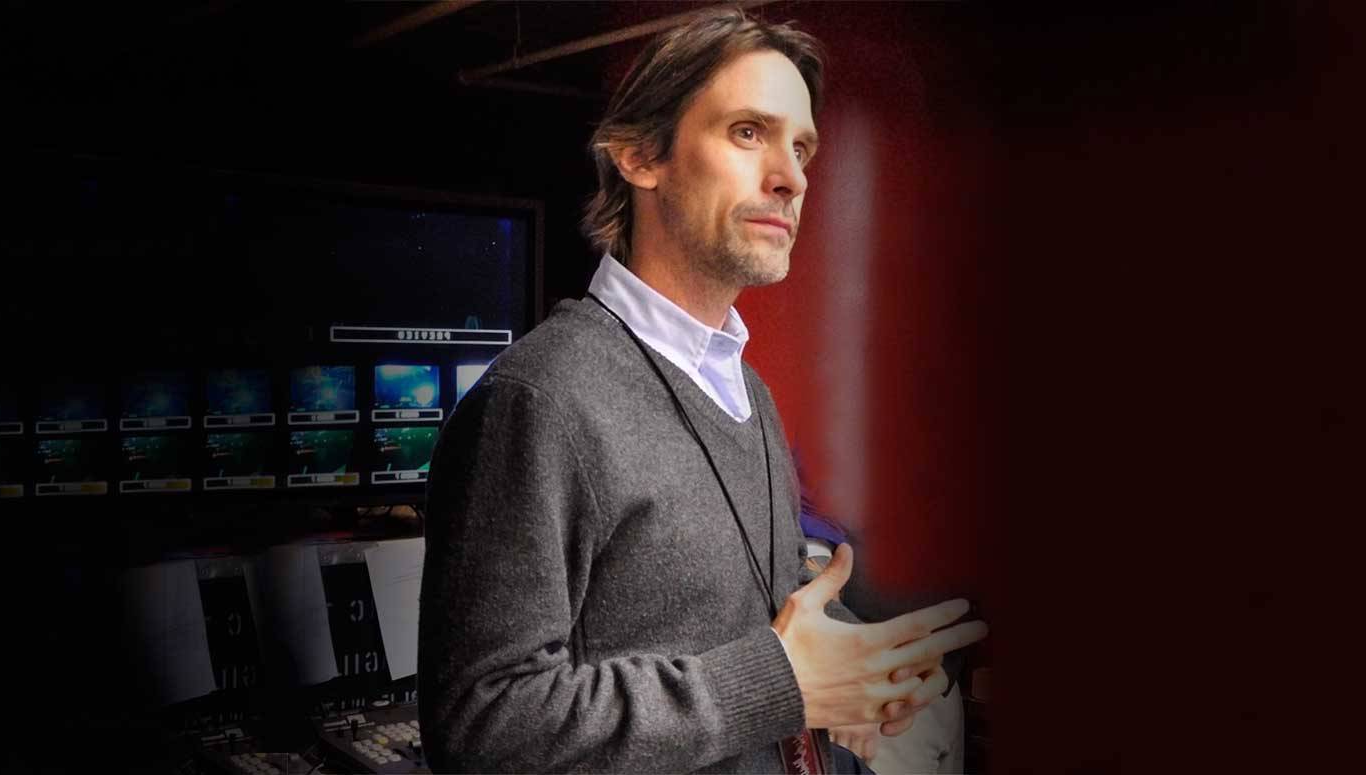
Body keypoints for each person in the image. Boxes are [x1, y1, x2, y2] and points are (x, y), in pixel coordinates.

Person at [418, 8, 986, 773]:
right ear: (639, 155)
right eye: (749, 132)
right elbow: (483, 726)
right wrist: (781, 683)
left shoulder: (746, 389)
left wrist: (858, 670)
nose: (791, 177)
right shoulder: (537, 401)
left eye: (802, 148)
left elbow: (761, 621)